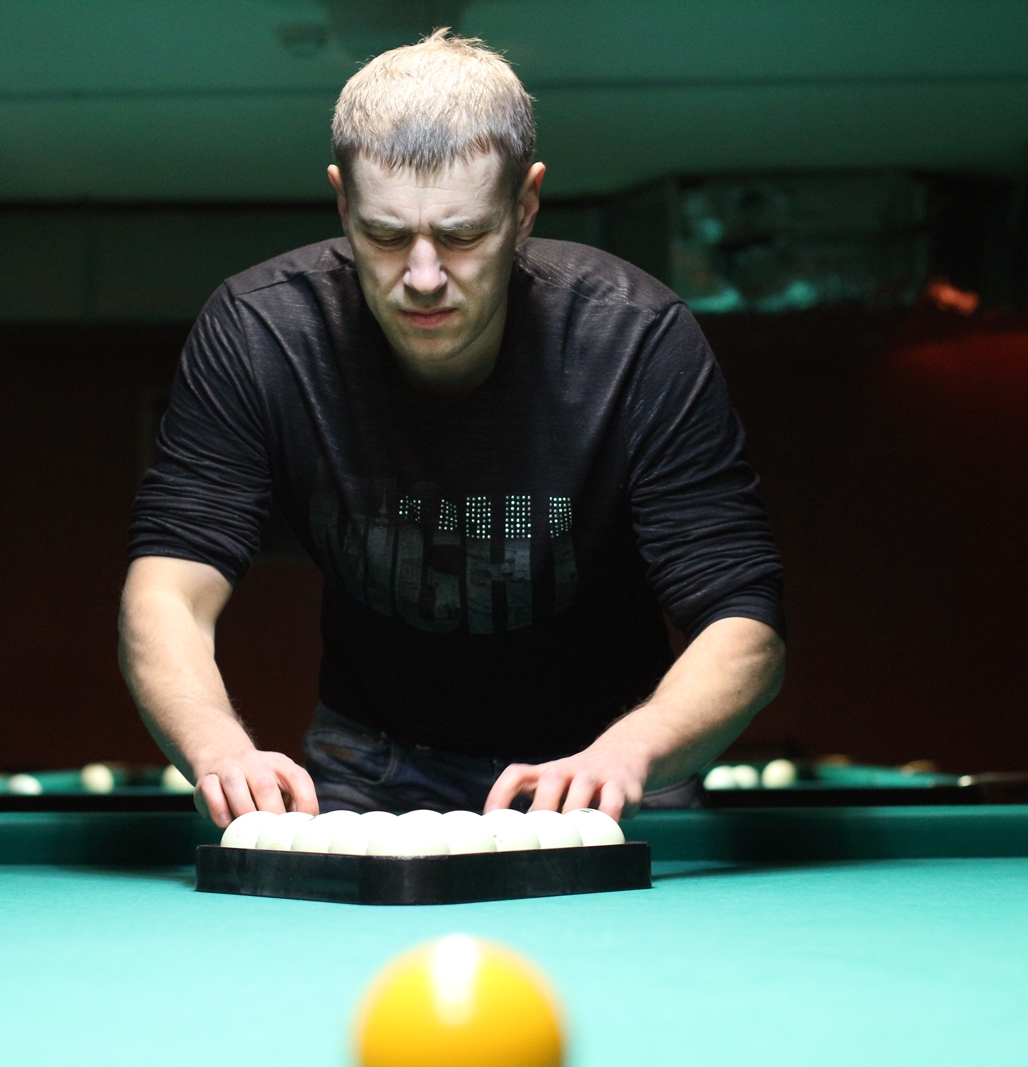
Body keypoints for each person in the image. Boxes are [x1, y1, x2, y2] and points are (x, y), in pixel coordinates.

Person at [119, 31, 785, 826]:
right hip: (372, 758)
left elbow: (745, 621)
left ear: (525, 205)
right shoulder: (262, 332)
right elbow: (168, 589)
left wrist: (629, 753)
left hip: (607, 757)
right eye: (385, 235)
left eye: (464, 235)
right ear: (342, 201)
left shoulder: (636, 339)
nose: (424, 277)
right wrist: (217, 748)